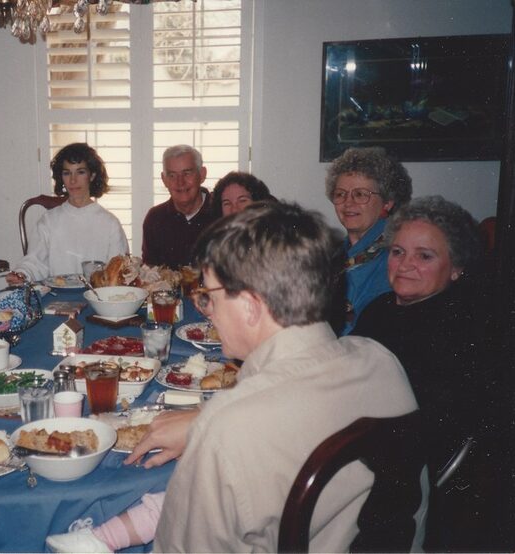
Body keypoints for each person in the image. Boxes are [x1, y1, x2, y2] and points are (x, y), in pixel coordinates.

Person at [50, 202, 425, 553]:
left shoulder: (229, 428)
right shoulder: (380, 360)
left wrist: (211, 429)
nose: (207, 310)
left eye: (209, 296)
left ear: (250, 305)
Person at [352, 196, 499, 551]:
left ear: (456, 268)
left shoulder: (457, 328)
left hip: (400, 478)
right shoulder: (381, 308)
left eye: (425, 256)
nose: (405, 265)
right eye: (398, 252)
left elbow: (420, 431)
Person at [6, 143, 128, 284]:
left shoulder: (110, 223)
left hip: (99, 301)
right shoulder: (48, 221)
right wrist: (21, 274)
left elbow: (118, 271)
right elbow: (34, 262)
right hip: (56, 300)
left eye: (80, 172)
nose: (73, 180)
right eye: (67, 173)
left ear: (92, 175)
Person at [325, 146, 412, 335]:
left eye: (360, 194)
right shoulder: (335, 253)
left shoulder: (395, 255)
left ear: (388, 202)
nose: (348, 203)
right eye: (340, 194)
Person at [141, 145, 219, 268]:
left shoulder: (221, 213)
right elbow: (150, 271)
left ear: (202, 174)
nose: (180, 182)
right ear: (164, 179)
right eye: (172, 175)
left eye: (187, 173)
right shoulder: (155, 218)